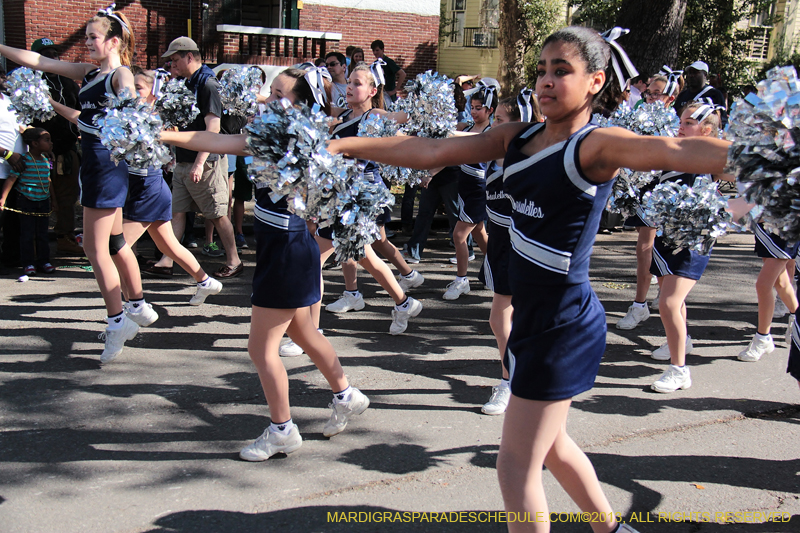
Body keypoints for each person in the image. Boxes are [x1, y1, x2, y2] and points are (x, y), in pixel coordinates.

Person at [329, 25, 732, 532]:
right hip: (532, 319)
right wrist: (345, 147)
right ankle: (612, 527)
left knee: (516, 464)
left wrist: (771, 155)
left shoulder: (598, 145)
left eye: (562, 71)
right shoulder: (514, 137)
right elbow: (430, 152)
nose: (546, 81)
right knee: (554, 444)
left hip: (564, 323)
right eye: (541, 70)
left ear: (595, 82)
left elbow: (676, 151)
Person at [160, 68, 370, 461]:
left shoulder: (280, 139)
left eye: (277, 94)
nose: (267, 100)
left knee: (261, 349)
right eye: (269, 92)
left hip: (288, 251)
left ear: (298, 104)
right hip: (291, 247)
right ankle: (346, 395)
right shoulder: (292, 134)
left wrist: (163, 134)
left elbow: (216, 140)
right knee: (306, 333)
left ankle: (282, 431)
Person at [0, 5, 153, 363]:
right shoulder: (89, 72)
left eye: (92, 37)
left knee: (94, 250)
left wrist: (133, 107)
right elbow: (40, 62)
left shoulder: (119, 75)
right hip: (96, 164)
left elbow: (131, 92)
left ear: (113, 41)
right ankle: (139, 306)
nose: (86, 43)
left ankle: (118, 321)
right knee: (116, 243)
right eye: (85, 37)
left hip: (104, 166)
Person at [311, 61, 423, 336]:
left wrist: (420, 102)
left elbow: (406, 119)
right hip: (341, 195)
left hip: (359, 198)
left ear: (373, 90)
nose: (349, 86)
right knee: (364, 255)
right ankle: (403, 301)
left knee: (313, 259)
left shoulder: (374, 117)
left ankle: (308, 332)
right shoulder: (344, 115)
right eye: (348, 82)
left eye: (357, 83)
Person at [648, 102, 733, 393]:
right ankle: (681, 342)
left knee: (668, 303)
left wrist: (726, 207)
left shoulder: (712, 155)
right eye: (681, 121)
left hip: (693, 239)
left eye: (687, 122)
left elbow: (740, 176)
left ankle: (679, 369)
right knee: (672, 300)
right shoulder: (674, 149)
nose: (680, 126)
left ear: (706, 129)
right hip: (666, 235)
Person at [151, 37, 243, 279]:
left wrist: (200, 163)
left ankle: (234, 260)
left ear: (189, 57)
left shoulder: (208, 84)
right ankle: (166, 260)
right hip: (184, 160)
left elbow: (212, 127)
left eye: (175, 59)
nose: (172, 64)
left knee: (217, 213)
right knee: (177, 212)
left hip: (206, 162)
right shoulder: (186, 82)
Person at [478, 93, 540, 415]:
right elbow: (448, 144)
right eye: (496, 119)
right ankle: (516, 377)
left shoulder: (528, 159)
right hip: (501, 243)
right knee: (504, 319)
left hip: (524, 247)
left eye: (501, 120)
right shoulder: (494, 151)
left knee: (503, 318)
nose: (494, 125)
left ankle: (510, 381)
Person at [616, 70, 683, 330]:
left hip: (669, 191)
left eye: (658, 93)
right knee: (645, 248)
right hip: (644, 189)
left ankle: (653, 303)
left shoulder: (680, 124)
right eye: (650, 92)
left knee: (660, 249)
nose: (652, 97)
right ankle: (641, 305)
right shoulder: (641, 117)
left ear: (671, 97)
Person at [29, 38, 83, 256]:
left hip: (65, 150)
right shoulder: (30, 84)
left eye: (53, 53)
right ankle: (31, 240)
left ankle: (64, 236)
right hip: (35, 152)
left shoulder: (68, 83)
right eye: (45, 54)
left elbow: (80, 113)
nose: (51, 57)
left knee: (68, 197)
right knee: (34, 195)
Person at [443, 85, 494, 301]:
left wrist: (451, 133)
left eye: (479, 108)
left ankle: (462, 280)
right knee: (478, 231)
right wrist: (430, 173)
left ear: (490, 110)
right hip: (465, 187)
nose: (474, 111)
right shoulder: (468, 126)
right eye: (472, 107)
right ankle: (498, 267)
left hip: (479, 190)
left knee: (459, 234)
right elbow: (450, 154)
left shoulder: (492, 132)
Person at [737, 223, 799, 362]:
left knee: (763, 285)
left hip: (787, 221)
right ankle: (796, 318)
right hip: (765, 223)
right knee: (780, 282)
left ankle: (763, 338)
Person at [0, 127, 56, 275]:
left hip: (43, 200)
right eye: (47, 140)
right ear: (34, 144)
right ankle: (28, 263)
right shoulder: (24, 160)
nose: (51, 143)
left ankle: (44, 261)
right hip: (26, 200)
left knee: (42, 233)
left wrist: (53, 200)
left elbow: (48, 180)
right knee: (27, 233)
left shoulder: (45, 160)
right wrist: (3, 198)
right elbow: (12, 179)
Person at [0, 70, 26, 270]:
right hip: (1, 169)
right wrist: (8, 155)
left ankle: (12, 258)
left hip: (17, 172)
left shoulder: (12, 101)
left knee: (13, 218)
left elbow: (23, 129)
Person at [370, 40, 405, 107]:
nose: (375, 52)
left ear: (382, 49)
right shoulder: (375, 64)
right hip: (379, 96)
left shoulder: (388, 62)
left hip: (389, 96)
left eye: (377, 50)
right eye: (373, 50)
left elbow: (402, 74)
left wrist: (394, 90)